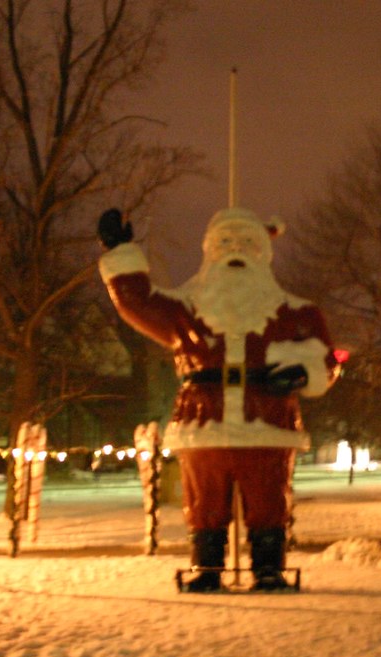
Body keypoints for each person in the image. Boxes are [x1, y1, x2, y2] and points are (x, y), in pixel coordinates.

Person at [97, 206, 338, 591]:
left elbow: (325, 359)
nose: (235, 249)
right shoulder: (185, 309)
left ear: (263, 253)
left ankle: (268, 569)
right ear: (209, 251)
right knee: (204, 500)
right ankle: (207, 568)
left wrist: (304, 371)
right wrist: (119, 251)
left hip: (267, 421)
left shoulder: (297, 312)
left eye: (246, 242)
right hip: (203, 418)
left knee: (269, 499)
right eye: (225, 242)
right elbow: (137, 303)